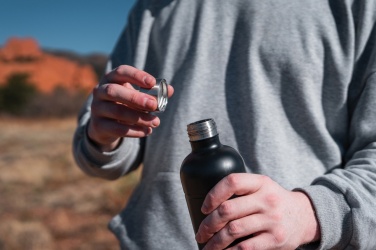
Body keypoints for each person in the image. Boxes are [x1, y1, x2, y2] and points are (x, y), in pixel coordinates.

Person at [73, 1, 376, 249]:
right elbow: (101, 157)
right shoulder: (153, 7)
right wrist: (104, 136)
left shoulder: (356, 7)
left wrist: (309, 212)